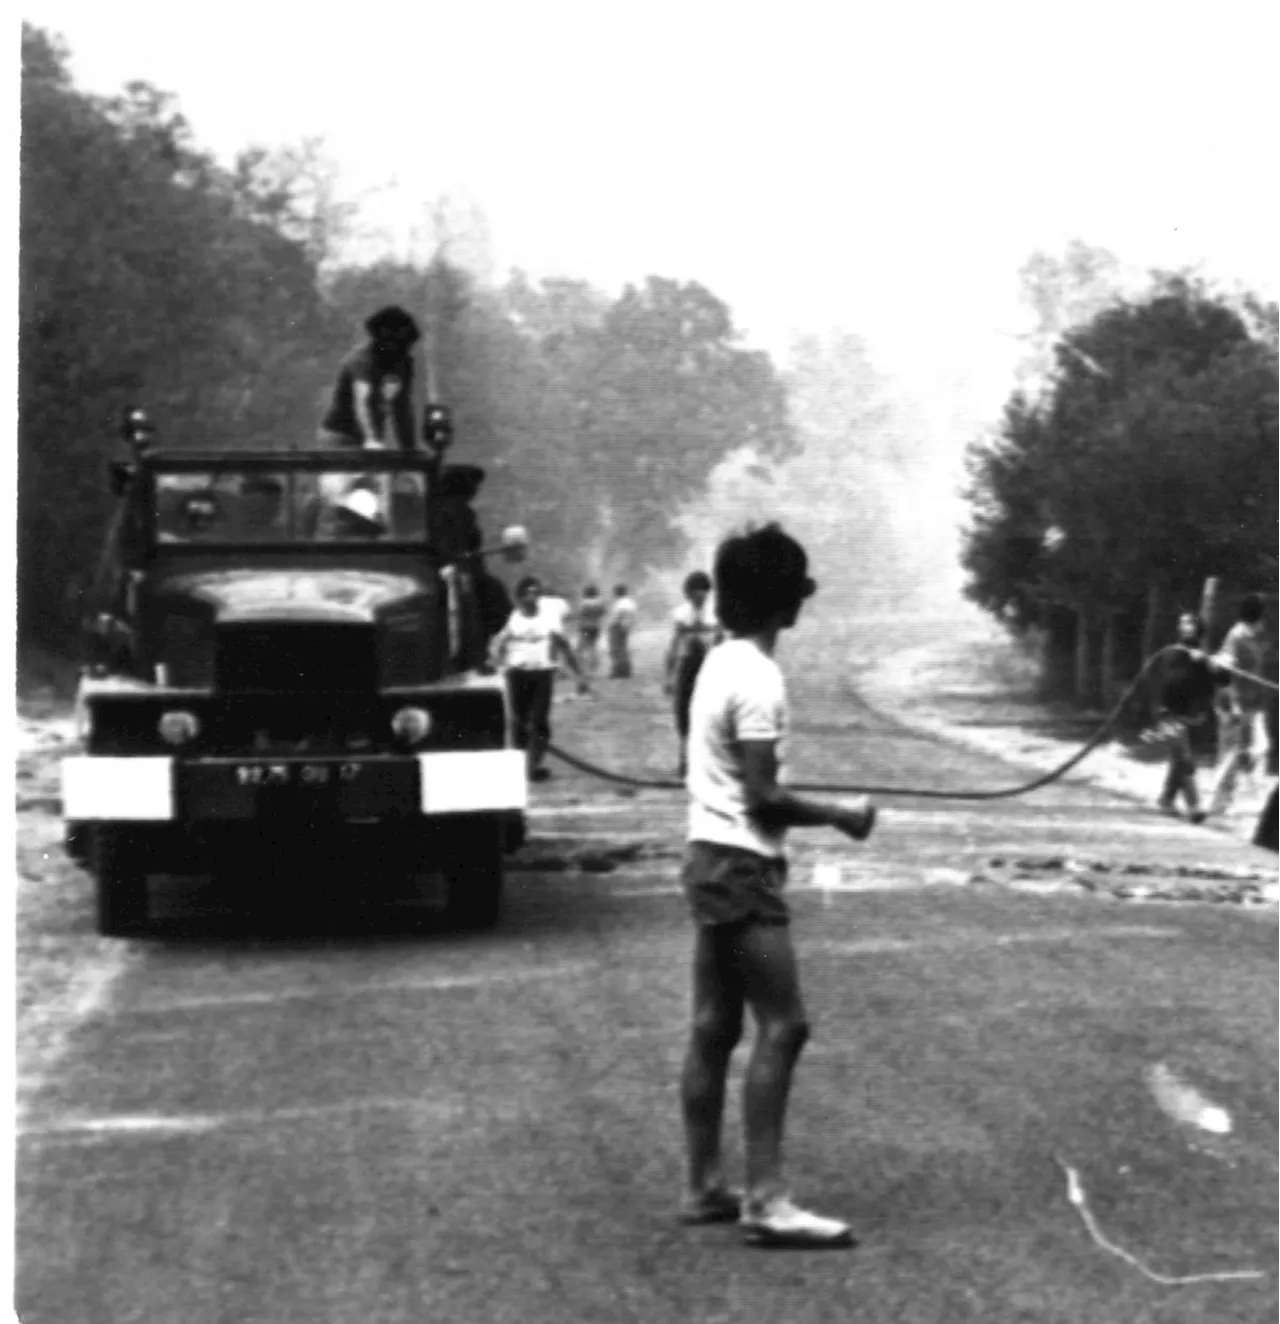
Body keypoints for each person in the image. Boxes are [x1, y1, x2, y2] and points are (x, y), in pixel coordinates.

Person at [678, 523, 875, 1248]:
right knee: (785, 1026)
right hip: (741, 864)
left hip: (707, 853)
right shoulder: (759, 677)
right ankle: (765, 1198)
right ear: (785, 602)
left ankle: (703, 1186)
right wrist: (842, 815)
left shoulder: (716, 662)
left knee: (714, 1028)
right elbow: (762, 795)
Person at [490, 576, 588, 781]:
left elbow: (565, 647)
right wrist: (497, 662)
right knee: (519, 724)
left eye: (535, 593)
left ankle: (534, 765)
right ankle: (521, 767)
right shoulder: (514, 618)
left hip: (542, 675)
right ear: (519, 598)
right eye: (526, 593)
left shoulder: (549, 620)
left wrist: (580, 675)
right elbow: (499, 645)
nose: (531, 597)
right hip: (517, 676)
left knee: (540, 720)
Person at [318, 306, 421, 450]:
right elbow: (362, 401)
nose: (405, 351)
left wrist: (409, 450)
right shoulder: (361, 360)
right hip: (340, 436)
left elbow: (402, 408)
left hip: (368, 439)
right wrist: (371, 439)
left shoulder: (404, 363)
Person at [1153, 612, 1218, 823]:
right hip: (1168, 713)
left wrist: (1207, 665)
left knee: (1178, 761)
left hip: (1190, 715)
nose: (1184, 626)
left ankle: (1166, 799)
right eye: (1182, 622)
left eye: (1189, 622)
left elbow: (1209, 686)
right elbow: (1170, 681)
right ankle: (1194, 807)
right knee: (1184, 760)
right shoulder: (1174, 653)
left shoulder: (1201, 657)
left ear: (1198, 627)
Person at [1207, 593, 1268, 817]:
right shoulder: (1237, 635)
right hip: (1233, 705)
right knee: (1230, 754)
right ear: (1258, 616)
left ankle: (1249, 799)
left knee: (1260, 748)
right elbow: (1224, 668)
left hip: (1252, 705)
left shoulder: (1250, 637)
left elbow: (1252, 671)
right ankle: (1217, 802)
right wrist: (1232, 704)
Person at [664, 570, 721, 776]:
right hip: (688, 664)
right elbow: (673, 645)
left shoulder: (716, 614)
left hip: (709, 666)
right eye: (695, 593)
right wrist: (668, 676)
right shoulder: (681, 614)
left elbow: (721, 643)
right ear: (687, 594)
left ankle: (706, 760)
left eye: (703, 593)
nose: (699, 597)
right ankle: (685, 756)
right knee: (683, 712)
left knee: (709, 714)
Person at [606, 583, 637, 678]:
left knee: (616, 650)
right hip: (626, 627)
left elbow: (617, 616)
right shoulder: (630, 602)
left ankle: (617, 671)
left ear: (617, 592)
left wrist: (611, 625)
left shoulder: (620, 603)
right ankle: (625, 670)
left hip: (617, 627)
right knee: (623, 649)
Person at [576, 585, 607, 679]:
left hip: (585, 628)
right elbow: (603, 613)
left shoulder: (584, 603)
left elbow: (580, 615)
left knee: (581, 648)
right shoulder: (600, 602)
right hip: (596, 627)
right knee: (593, 647)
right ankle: (593, 670)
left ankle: (582, 670)